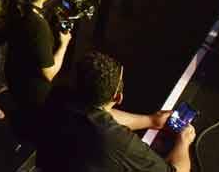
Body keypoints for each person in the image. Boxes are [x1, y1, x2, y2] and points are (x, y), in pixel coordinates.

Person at [37, 51, 195, 172]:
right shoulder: (117, 142)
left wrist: (151, 121)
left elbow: (100, 116)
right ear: (118, 97)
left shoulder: (59, 96)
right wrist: (183, 141)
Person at [5, 0, 71, 138]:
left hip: (17, 88)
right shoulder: (37, 25)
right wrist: (64, 45)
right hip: (33, 96)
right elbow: (48, 72)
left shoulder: (19, 13)